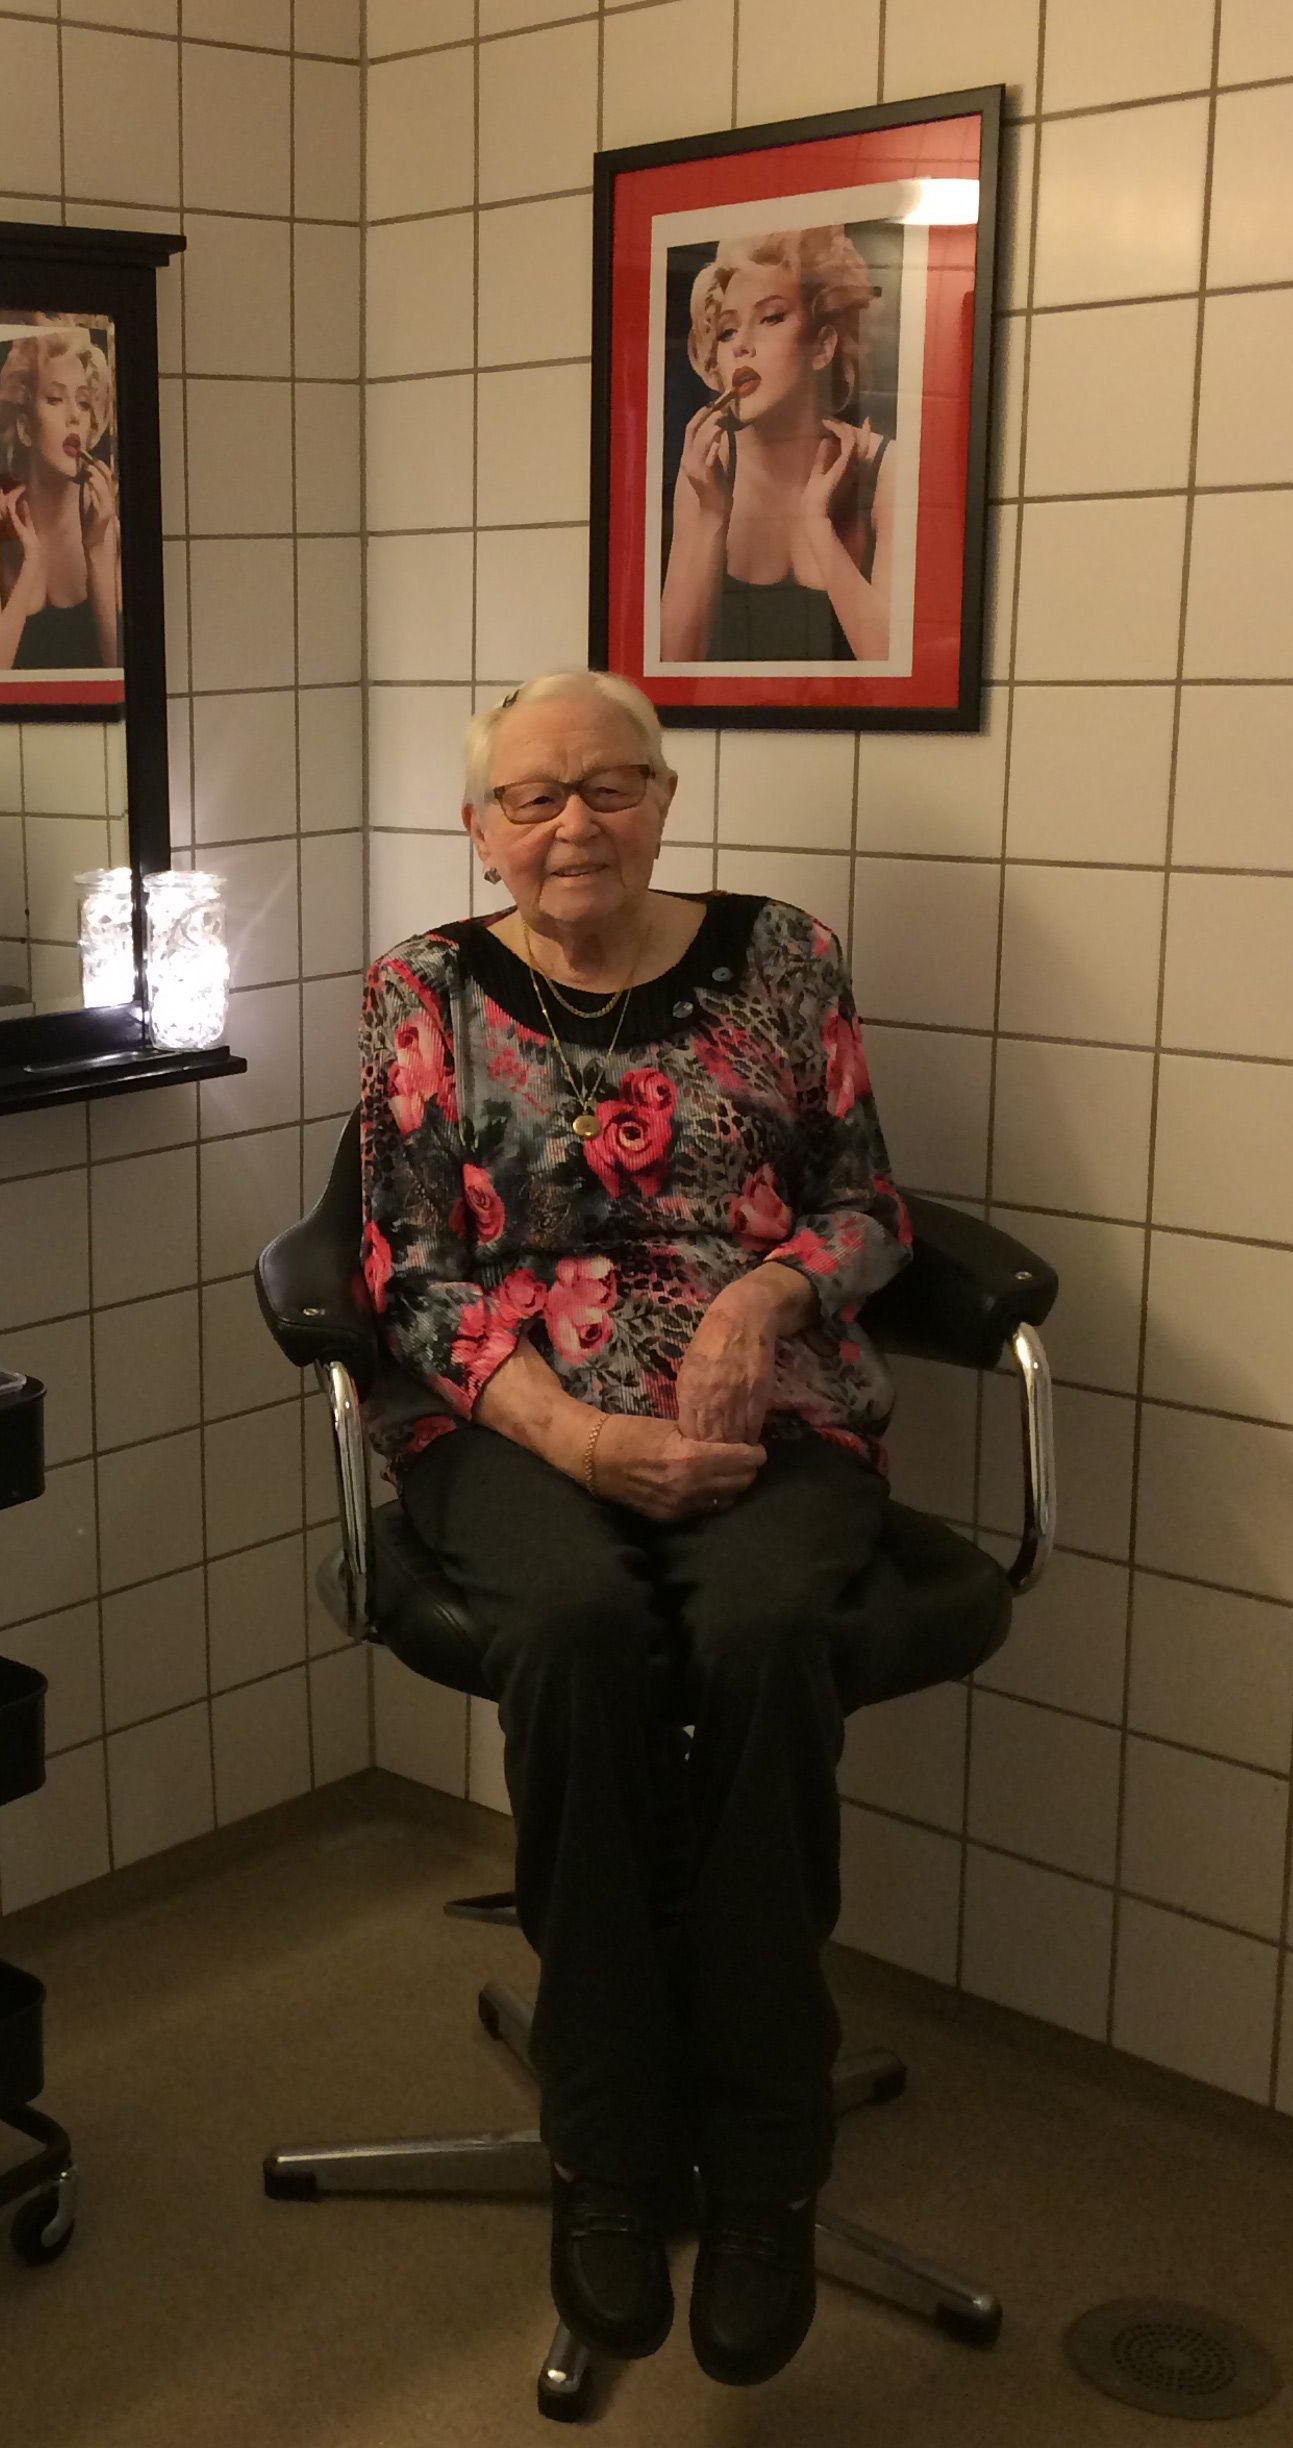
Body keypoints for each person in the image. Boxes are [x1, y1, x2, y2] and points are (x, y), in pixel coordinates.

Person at [357, 668, 910, 2388]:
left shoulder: (783, 957)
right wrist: (582, 1439)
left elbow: (866, 1206)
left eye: (607, 787)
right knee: (579, 1635)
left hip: (769, 1408)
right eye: (531, 798)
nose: (572, 824)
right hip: (513, 1416)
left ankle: (764, 2163)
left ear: (664, 801)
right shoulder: (422, 991)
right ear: (480, 830)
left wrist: (761, 1299)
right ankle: (604, 2149)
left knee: (760, 1635)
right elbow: (406, 1275)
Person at [658, 227, 897, 664]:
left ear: (822, 346)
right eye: (727, 331)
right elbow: (672, 669)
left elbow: (895, 668)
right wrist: (711, 513)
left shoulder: (886, 470)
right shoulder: (706, 469)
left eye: (770, 318)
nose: (741, 347)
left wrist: (817, 525)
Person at [0, 324, 121, 673]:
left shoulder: (107, 522)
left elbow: (123, 670)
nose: (74, 415)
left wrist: (97, 549)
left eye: (84, 403)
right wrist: (31, 566)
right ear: (26, 427)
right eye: (55, 399)